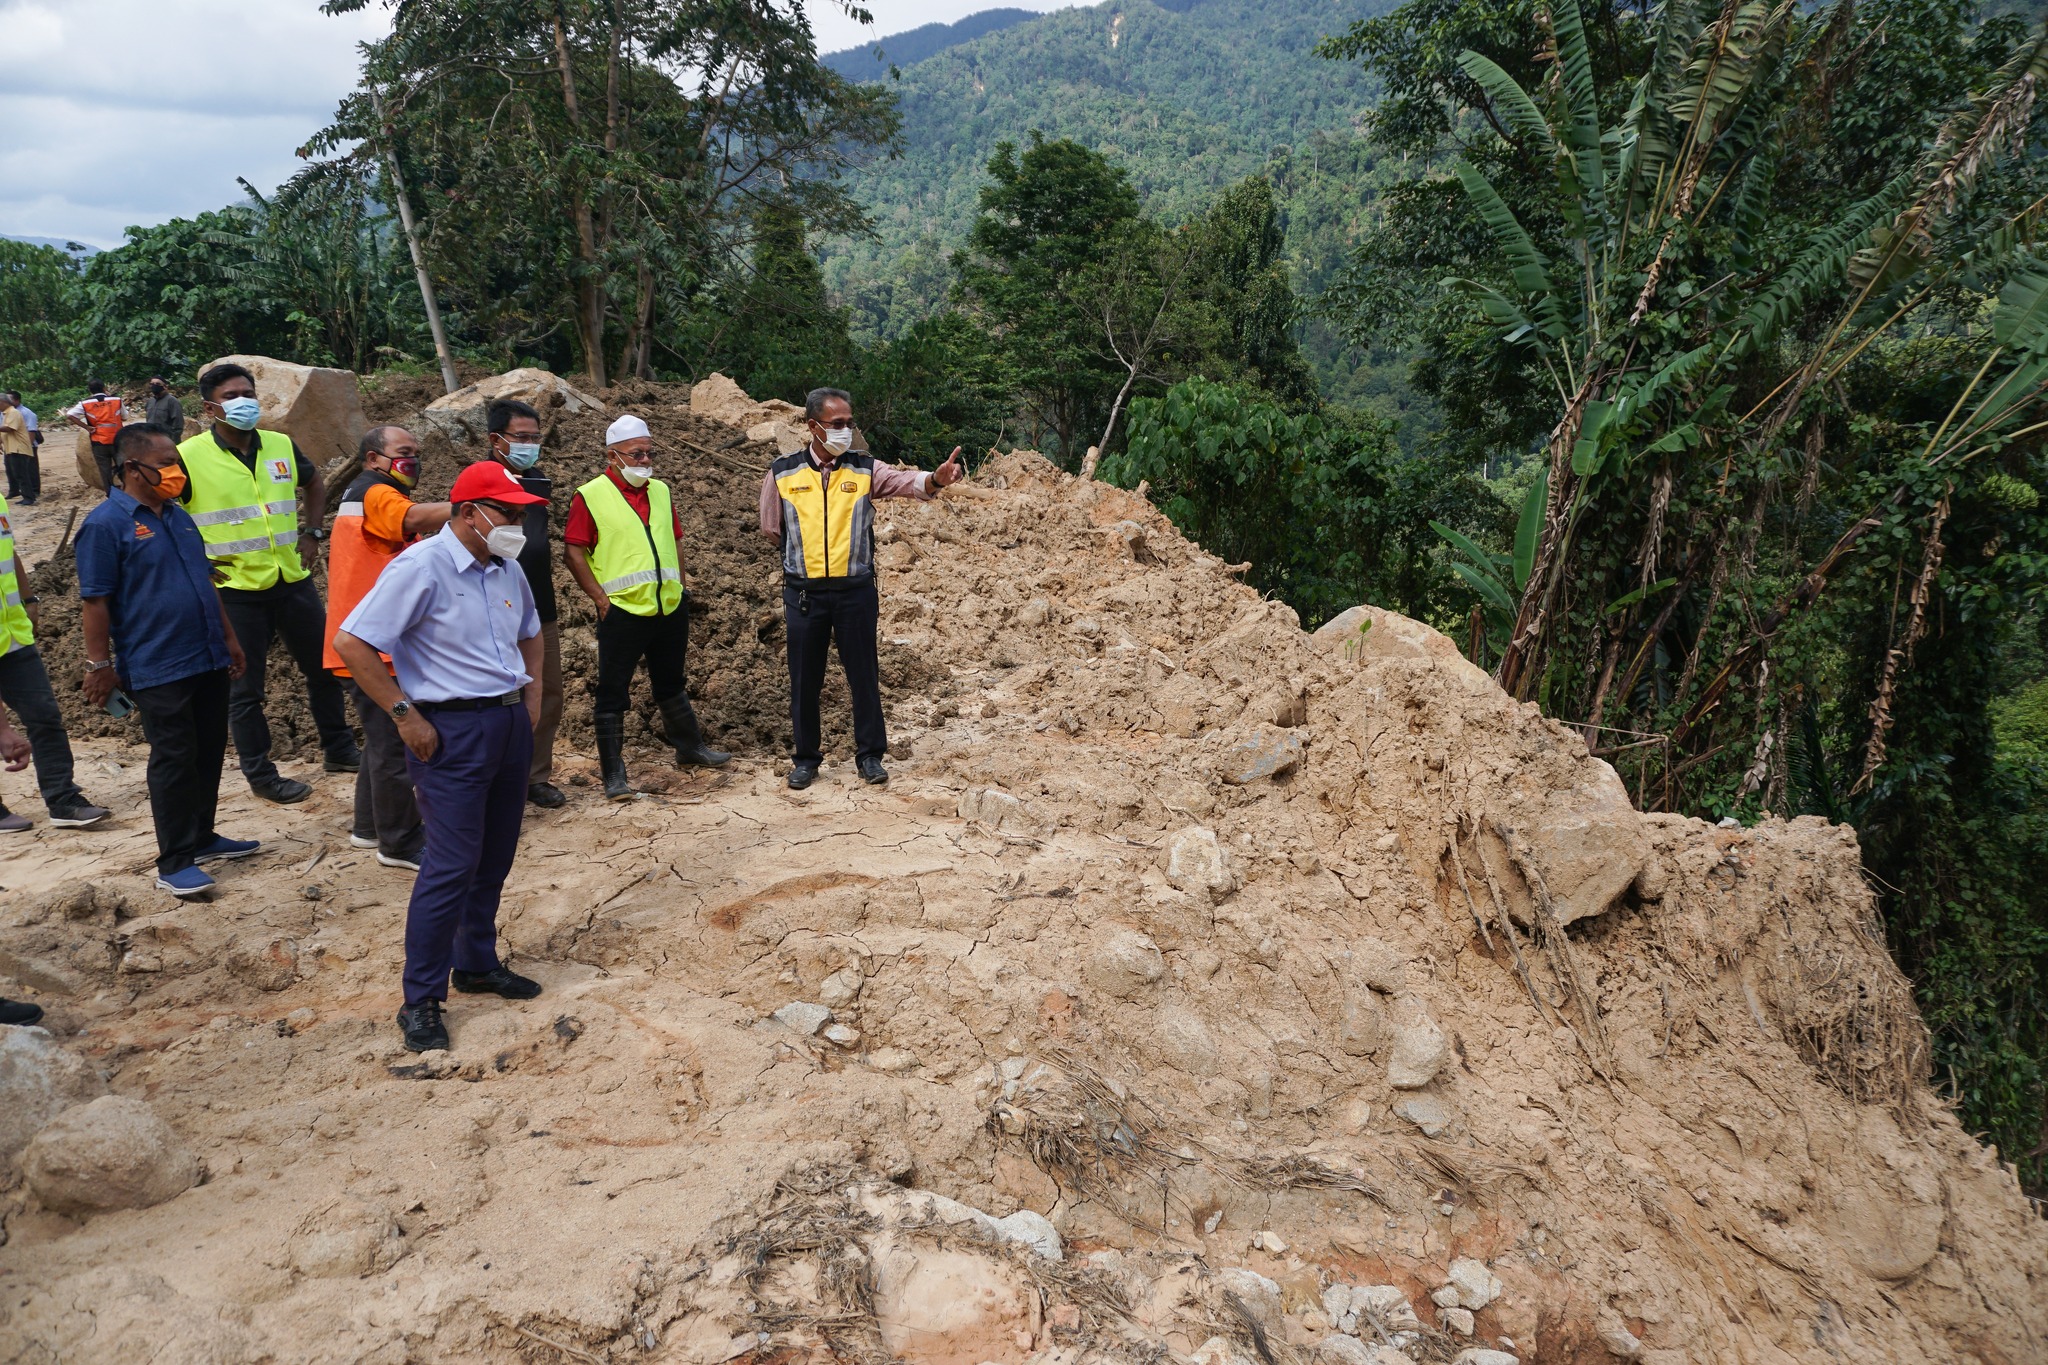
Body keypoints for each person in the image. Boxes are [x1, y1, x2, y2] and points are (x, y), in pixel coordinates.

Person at [333, 461, 548, 1054]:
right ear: (466, 512)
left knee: (494, 855)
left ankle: (476, 962)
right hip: (449, 730)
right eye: (507, 513)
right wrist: (405, 716)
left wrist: (529, 698)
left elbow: (531, 631)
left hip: (505, 723)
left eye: (521, 513)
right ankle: (421, 999)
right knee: (450, 865)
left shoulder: (505, 567)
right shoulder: (420, 566)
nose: (518, 523)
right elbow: (353, 641)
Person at [77, 424, 255, 898]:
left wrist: (230, 638)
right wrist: (100, 666)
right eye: (166, 464)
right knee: (175, 758)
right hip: (157, 664)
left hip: (207, 655)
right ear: (132, 469)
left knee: (210, 748)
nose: (176, 472)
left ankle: (203, 836)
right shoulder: (104, 525)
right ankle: (175, 860)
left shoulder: (177, 515)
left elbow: (205, 581)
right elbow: (95, 602)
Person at [759, 388, 964, 789]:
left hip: (855, 592)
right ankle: (805, 760)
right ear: (813, 426)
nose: (846, 431)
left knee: (863, 676)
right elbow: (772, 528)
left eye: (850, 423)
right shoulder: (782, 472)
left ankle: (870, 756)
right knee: (804, 680)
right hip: (804, 594)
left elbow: (906, 482)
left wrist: (936, 479)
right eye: (838, 424)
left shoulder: (864, 469)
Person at [179, 362, 359, 803]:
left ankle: (338, 748)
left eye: (248, 392)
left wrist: (313, 532)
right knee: (245, 690)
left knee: (324, 668)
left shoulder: (279, 444)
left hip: (290, 578)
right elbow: (164, 513)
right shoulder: (188, 457)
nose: (243, 402)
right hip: (234, 589)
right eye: (230, 396)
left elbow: (314, 483)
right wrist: (194, 565)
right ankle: (261, 775)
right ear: (209, 408)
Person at [566, 414, 729, 800]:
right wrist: (600, 599)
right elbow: (573, 550)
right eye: (636, 454)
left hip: (669, 606)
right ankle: (614, 774)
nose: (644, 461)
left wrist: (683, 587)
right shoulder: (589, 495)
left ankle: (689, 747)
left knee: (671, 681)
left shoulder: (660, 491)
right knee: (613, 691)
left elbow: (676, 540)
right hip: (622, 610)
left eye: (648, 453)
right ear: (613, 455)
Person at [324, 425, 451, 873]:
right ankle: (399, 844)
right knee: (398, 744)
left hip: (360, 641)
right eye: (404, 452)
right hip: (370, 647)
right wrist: (472, 506)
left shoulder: (366, 494)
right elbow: (414, 519)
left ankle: (368, 826)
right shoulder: (376, 492)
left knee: (380, 744)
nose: (412, 459)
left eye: (416, 452)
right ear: (374, 457)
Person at [0, 489, 111, 834]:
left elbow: (8, 551)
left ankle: (63, 799)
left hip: (12, 633)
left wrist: (28, 597)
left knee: (44, 715)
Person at [484, 400, 566, 808]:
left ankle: (534, 777)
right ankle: (495, 780)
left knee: (547, 691)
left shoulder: (537, 481)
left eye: (535, 438)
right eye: (521, 438)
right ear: (495, 439)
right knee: (497, 697)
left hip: (538, 606)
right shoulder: (480, 481)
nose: (530, 445)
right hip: (489, 607)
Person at [63, 380, 125, 497]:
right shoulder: (116, 400)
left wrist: (87, 427)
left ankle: (110, 493)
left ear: (90, 391)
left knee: (104, 468)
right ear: (104, 388)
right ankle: (128, 489)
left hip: (99, 441)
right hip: (117, 440)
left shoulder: (85, 403)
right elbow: (125, 417)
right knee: (123, 466)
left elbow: (70, 414)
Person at [1, 392, 34, 505]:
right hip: (11, 448)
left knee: (21, 474)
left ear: (3, 402)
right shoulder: (7, 413)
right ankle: (23, 495)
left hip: (18, 448)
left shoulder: (13, 413)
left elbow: (10, 428)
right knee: (15, 473)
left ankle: (29, 497)